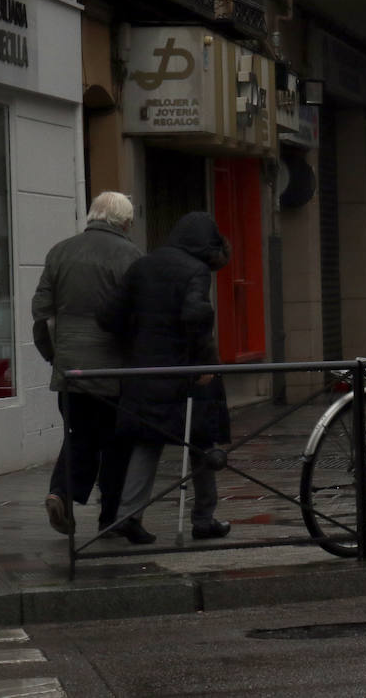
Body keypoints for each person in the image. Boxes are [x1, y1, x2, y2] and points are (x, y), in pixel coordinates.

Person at [101, 212, 232, 544]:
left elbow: (110, 316)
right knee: (201, 441)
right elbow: (196, 315)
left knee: (148, 440)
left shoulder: (143, 265)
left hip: (144, 371)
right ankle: (204, 518)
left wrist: (137, 343)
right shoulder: (196, 270)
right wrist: (203, 363)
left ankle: (129, 515)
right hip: (183, 372)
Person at [32, 192, 143, 536]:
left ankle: (61, 493)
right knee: (116, 444)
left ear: (93, 216)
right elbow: (136, 317)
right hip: (114, 371)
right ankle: (111, 517)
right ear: (125, 222)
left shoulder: (60, 251)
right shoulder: (131, 256)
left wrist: (55, 356)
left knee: (77, 436)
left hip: (70, 369)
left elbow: (41, 314)